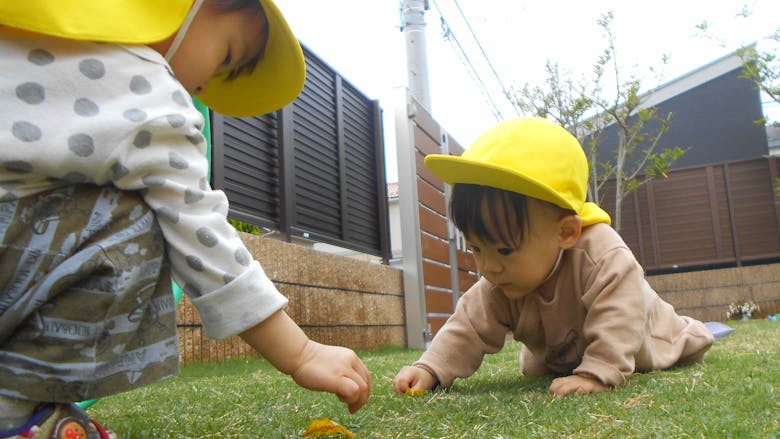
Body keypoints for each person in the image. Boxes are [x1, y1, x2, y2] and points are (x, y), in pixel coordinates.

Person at [0, 1, 371, 437]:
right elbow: (197, 226)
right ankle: (15, 409)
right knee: (141, 221)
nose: (203, 85)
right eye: (227, 57)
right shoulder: (146, 86)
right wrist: (302, 353)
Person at [392, 117, 714, 398]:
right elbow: (468, 326)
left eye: (504, 249)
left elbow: (622, 313)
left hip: (647, 337)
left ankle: (695, 331)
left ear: (565, 233)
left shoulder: (603, 256)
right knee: (537, 368)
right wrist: (431, 368)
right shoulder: (501, 279)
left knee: (682, 343)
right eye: (477, 248)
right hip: (565, 352)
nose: (488, 267)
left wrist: (598, 371)